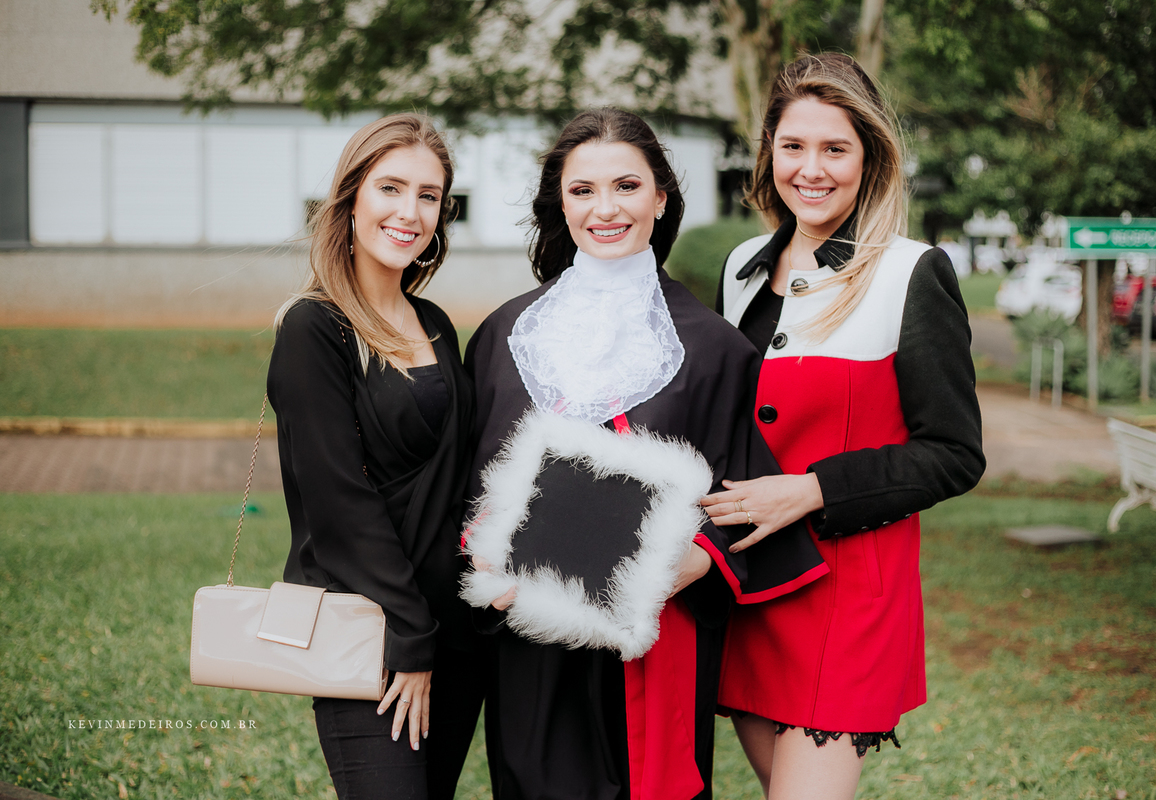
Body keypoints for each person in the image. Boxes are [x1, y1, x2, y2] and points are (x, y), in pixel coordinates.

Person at [463, 107, 827, 800]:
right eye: (582, 191)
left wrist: (653, 576)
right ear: (559, 203)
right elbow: (471, 484)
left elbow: (741, 499)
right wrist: (489, 557)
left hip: (656, 638)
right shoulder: (504, 336)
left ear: (661, 198)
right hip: (527, 638)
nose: (606, 209)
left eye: (627, 187)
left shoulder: (716, 348)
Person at [701, 54, 986, 800]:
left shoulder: (910, 272)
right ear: (769, 152)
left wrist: (813, 491)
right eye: (793, 146)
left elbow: (954, 455)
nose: (811, 169)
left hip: (851, 599)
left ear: (870, 156)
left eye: (836, 148)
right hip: (752, 591)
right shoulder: (738, 269)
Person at [267, 113, 484, 800]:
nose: (409, 212)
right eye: (391, 188)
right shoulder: (315, 327)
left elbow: (460, 482)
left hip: (455, 633)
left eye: (428, 196)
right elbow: (339, 505)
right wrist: (410, 637)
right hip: (370, 633)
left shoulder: (437, 325)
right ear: (352, 197)